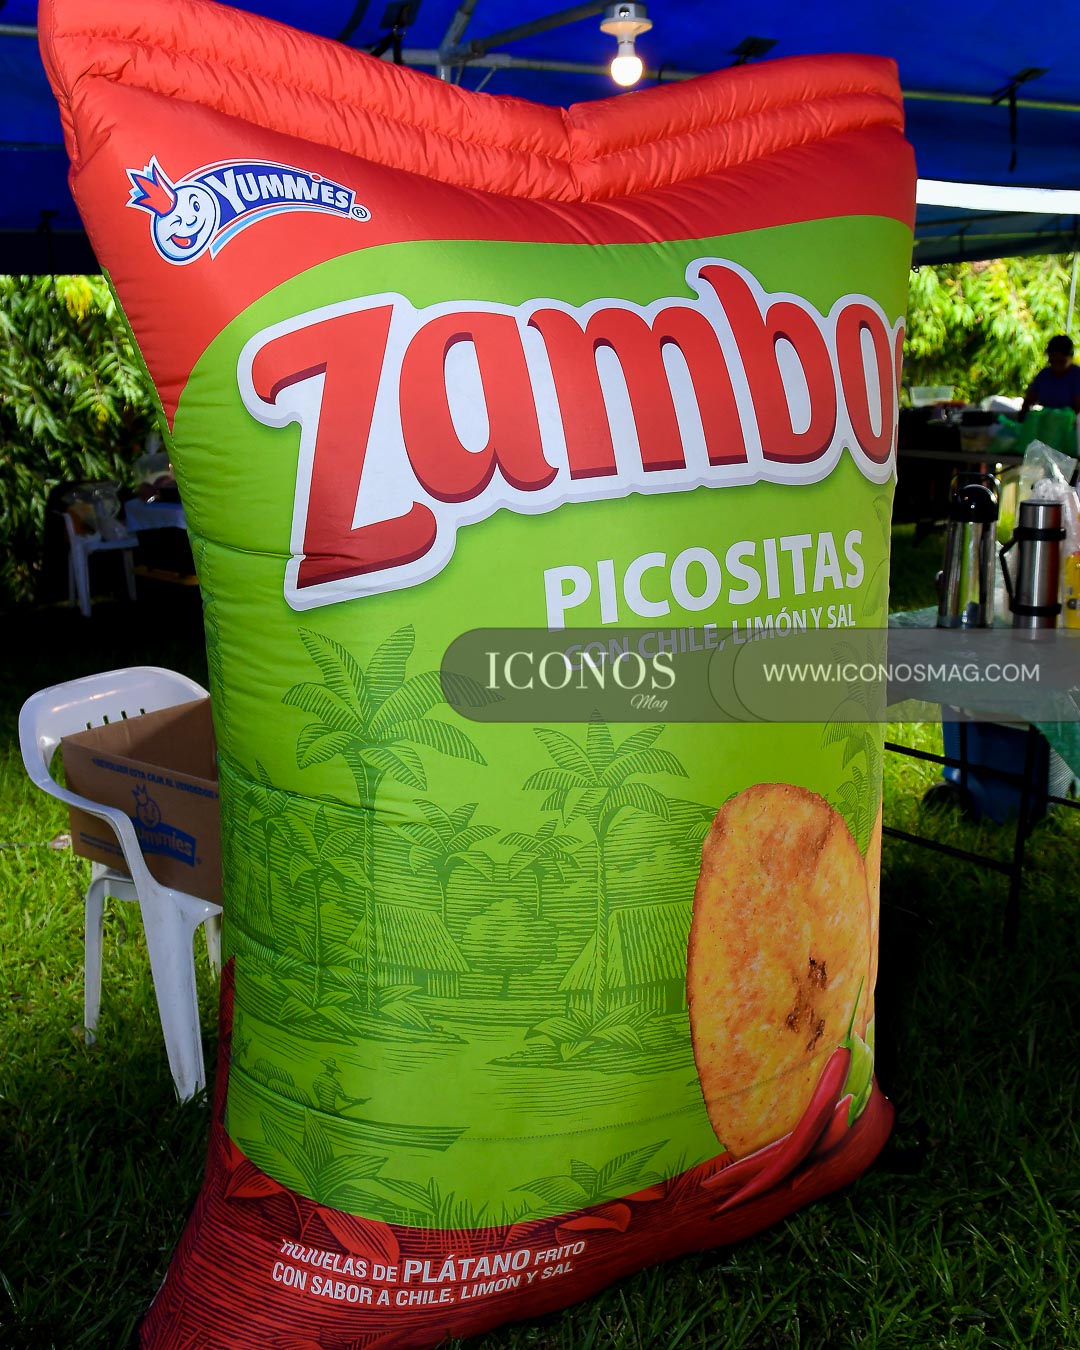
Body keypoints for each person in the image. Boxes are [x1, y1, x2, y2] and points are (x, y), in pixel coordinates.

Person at [1022, 335, 1080, 414]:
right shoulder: (1044, 375)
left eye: (1061, 362)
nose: (1057, 366)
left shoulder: (1077, 376)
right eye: (1053, 361)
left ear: (1071, 358)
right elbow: (1028, 401)